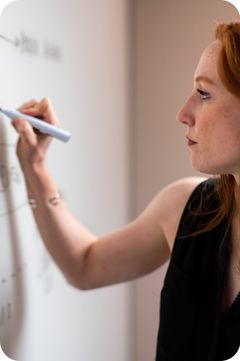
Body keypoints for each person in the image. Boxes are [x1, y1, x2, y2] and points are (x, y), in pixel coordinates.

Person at [11, 21, 240, 360]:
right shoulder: (188, 208)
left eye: (204, 94)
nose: (182, 113)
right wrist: (36, 167)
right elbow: (84, 265)